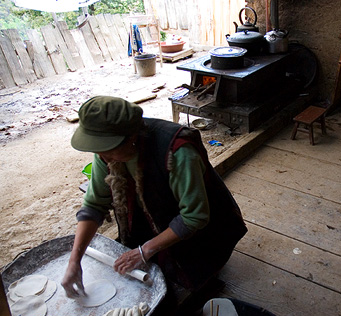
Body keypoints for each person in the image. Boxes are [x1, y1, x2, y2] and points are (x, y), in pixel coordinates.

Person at [62, 96, 247, 299]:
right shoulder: (106, 155)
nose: (103, 157)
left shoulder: (177, 151)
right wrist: (74, 260)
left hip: (202, 228)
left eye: (108, 150)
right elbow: (94, 205)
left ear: (131, 136)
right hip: (155, 214)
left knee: (189, 280)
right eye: (98, 150)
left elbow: (194, 217)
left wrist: (145, 250)